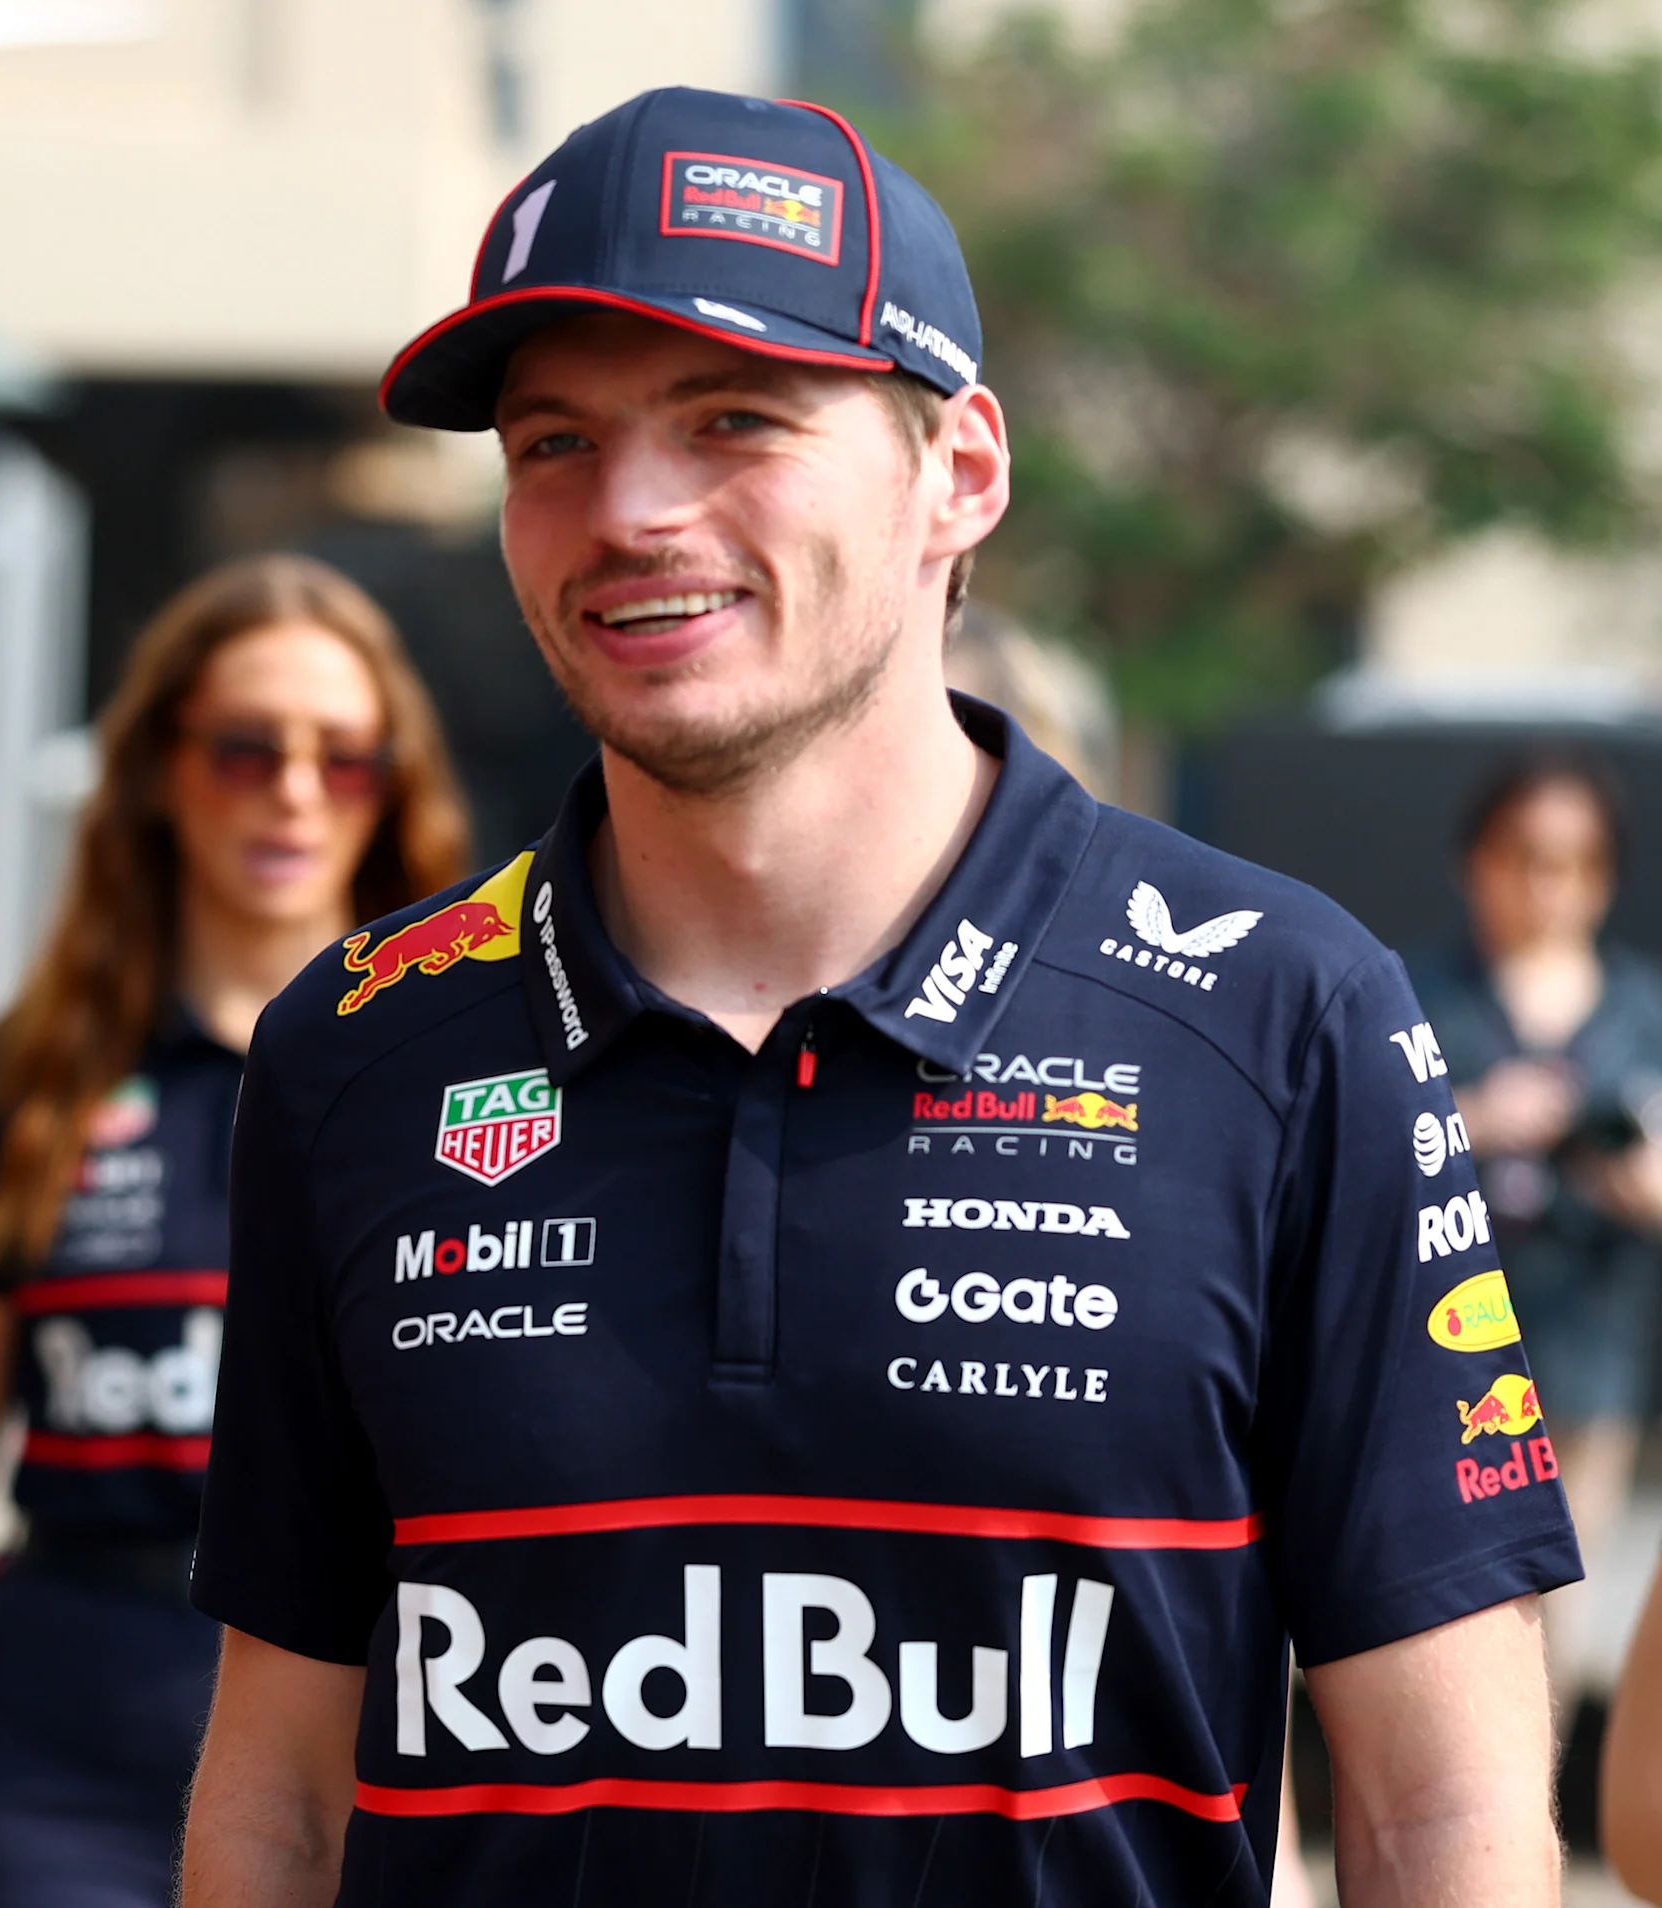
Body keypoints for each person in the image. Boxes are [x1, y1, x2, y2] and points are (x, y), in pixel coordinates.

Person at [180, 86, 1576, 1907]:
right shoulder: (358, 1045)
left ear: (959, 473)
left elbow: (1442, 1821)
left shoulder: (1286, 1017)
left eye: (734, 419)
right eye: (552, 443)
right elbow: (278, 1789)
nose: (631, 510)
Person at [0, 556, 467, 1908]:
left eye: (345, 759)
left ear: (394, 785)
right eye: (247, 750)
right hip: (62, 1743)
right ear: (157, 770)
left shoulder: (479, 1076)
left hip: (380, 1730)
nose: (295, 793)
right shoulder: (24, 1091)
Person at [1412, 753, 1662, 1573]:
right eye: (1523, 857)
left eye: (1574, 864)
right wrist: (1474, 1119)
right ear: (1473, 861)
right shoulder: (1413, 993)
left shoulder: (1640, 1011)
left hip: (1590, 1333)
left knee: (1559, 1578)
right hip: (1439, 1338)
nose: (1547, 886)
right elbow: (1350, 1148)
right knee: (1446, 1572)